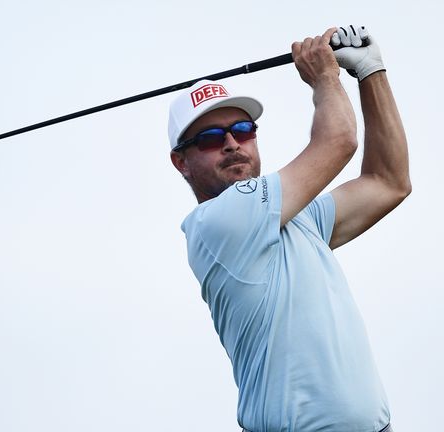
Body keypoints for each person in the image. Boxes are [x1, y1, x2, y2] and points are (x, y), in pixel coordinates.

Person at [167, 26, 410, 432]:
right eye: (210, 138)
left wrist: (372, 74)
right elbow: (339, 140)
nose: (232, 144)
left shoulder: (297, 219)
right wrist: (324, 77)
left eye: (242, 131)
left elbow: (389, 181)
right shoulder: (218, 221)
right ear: (182, 163)